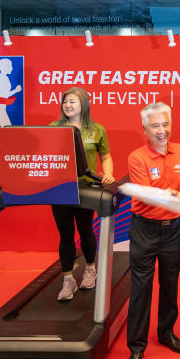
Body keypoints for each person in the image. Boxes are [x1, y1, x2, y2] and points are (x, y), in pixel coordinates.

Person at [125, 102, 180, 359]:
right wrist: (174, 195)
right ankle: (137, 347)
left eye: (165, 124)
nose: (161, 130)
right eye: (155, 125)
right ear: (145, 129)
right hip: (145, 230)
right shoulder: (136, 157)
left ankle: (166, 333)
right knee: (141, 288)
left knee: (170, 284)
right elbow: (147, 195)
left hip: (173, 229)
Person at [49, 87, 114, 302]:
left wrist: (108, 174)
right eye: (65, 101)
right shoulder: (53, 128)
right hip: (60, 189)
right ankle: (68, 279)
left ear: (83, 105)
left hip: (87, 189)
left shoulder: (96, 130)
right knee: (65, 234)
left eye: (73, 102)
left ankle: (90, 269)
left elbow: (105, 156)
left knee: (85, 230)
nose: (67, 105)